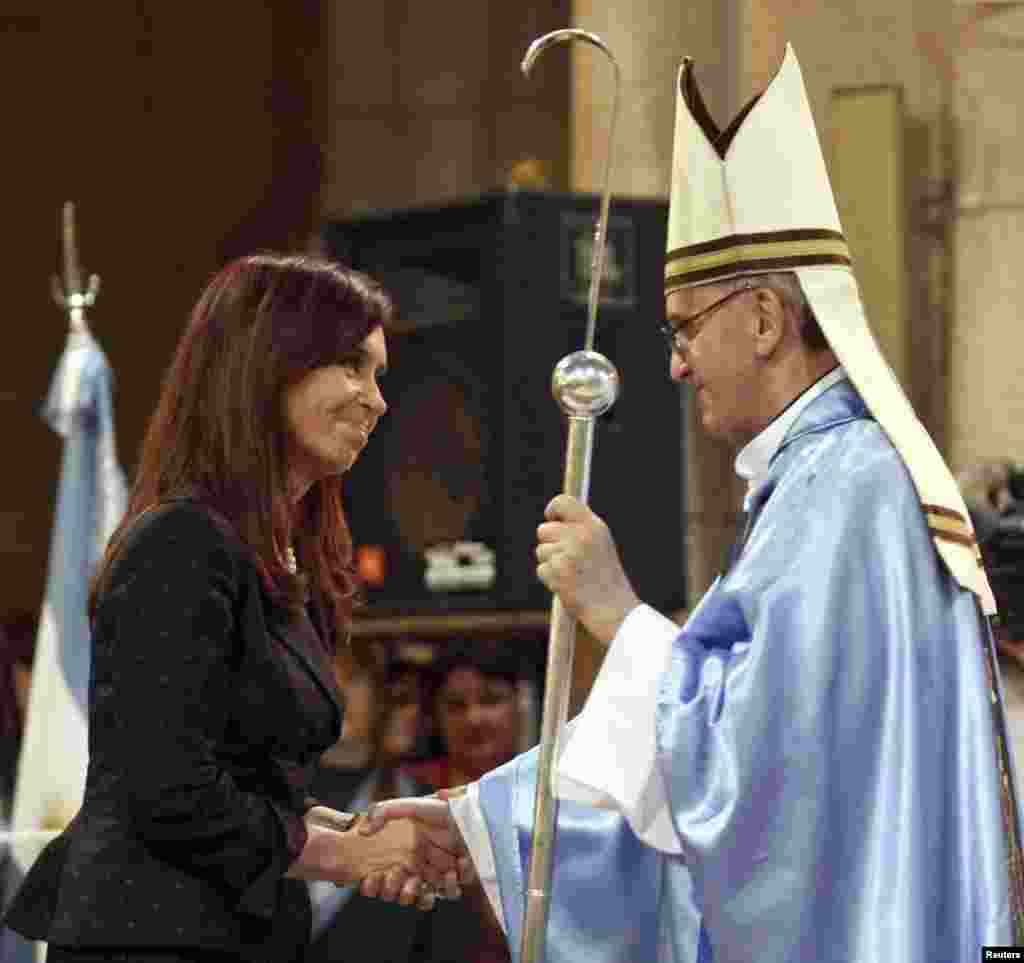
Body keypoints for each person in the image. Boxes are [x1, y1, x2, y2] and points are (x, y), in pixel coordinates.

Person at [360, 45, 1020, 961]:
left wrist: (615, 609)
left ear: (765, 319)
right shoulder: (812, 480)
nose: (674, 364)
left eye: (685, 328)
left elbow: (757, 767)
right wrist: (476, 822)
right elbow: (694, 776)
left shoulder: (848, 487)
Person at [2, 254, 469, 963]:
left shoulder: (288, 560)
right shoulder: (178, 543)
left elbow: (250, 779)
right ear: (266, 366)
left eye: (379, 375)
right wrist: (344, 855)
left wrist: (356, 835)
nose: (376, 400)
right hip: (146, 941)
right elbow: (167, 788)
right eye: (352, 366)